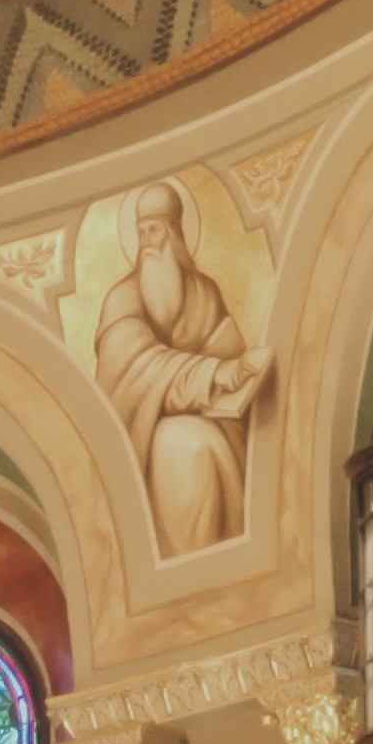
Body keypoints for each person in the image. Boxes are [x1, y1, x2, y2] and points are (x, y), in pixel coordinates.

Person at [89, 174, 270, 552]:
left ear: (176, 231)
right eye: (142, 232)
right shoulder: (121, 300)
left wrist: (236, 373)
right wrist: (215, 372)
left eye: (156, 230)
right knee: (181, 443)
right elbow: (135, 368)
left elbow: (233, 361)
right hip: (149, 440)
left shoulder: (204, 294)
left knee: (198, 442)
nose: (149, 241)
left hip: (217, 429)